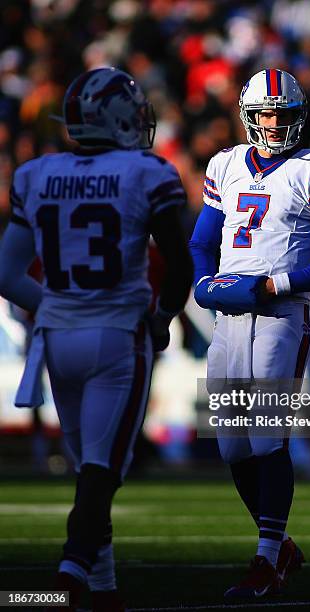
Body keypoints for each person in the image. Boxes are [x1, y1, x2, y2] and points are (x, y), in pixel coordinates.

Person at [0, 67, 193, 611]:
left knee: (90, 466)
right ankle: (63, 577)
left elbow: (6, 273)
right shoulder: (146, 172)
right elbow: (178, 265)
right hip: (116, 337)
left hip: (57, 342)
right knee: (102, 469)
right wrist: (161, 319)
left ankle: (104, 592)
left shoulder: (36, 174)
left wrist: (58, 306)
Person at [190, 69, 310, 599]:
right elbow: (201, 241)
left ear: (298, 117)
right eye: (264, 113)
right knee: (232, 449)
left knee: (268, 437)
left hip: (282, 316)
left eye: (282, 114)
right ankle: (280, 545)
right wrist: (203, 281)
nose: (272, 123)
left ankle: (266, 558)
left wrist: (274, 283)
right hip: (228, 320)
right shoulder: (224, 164)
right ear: (246, 115)